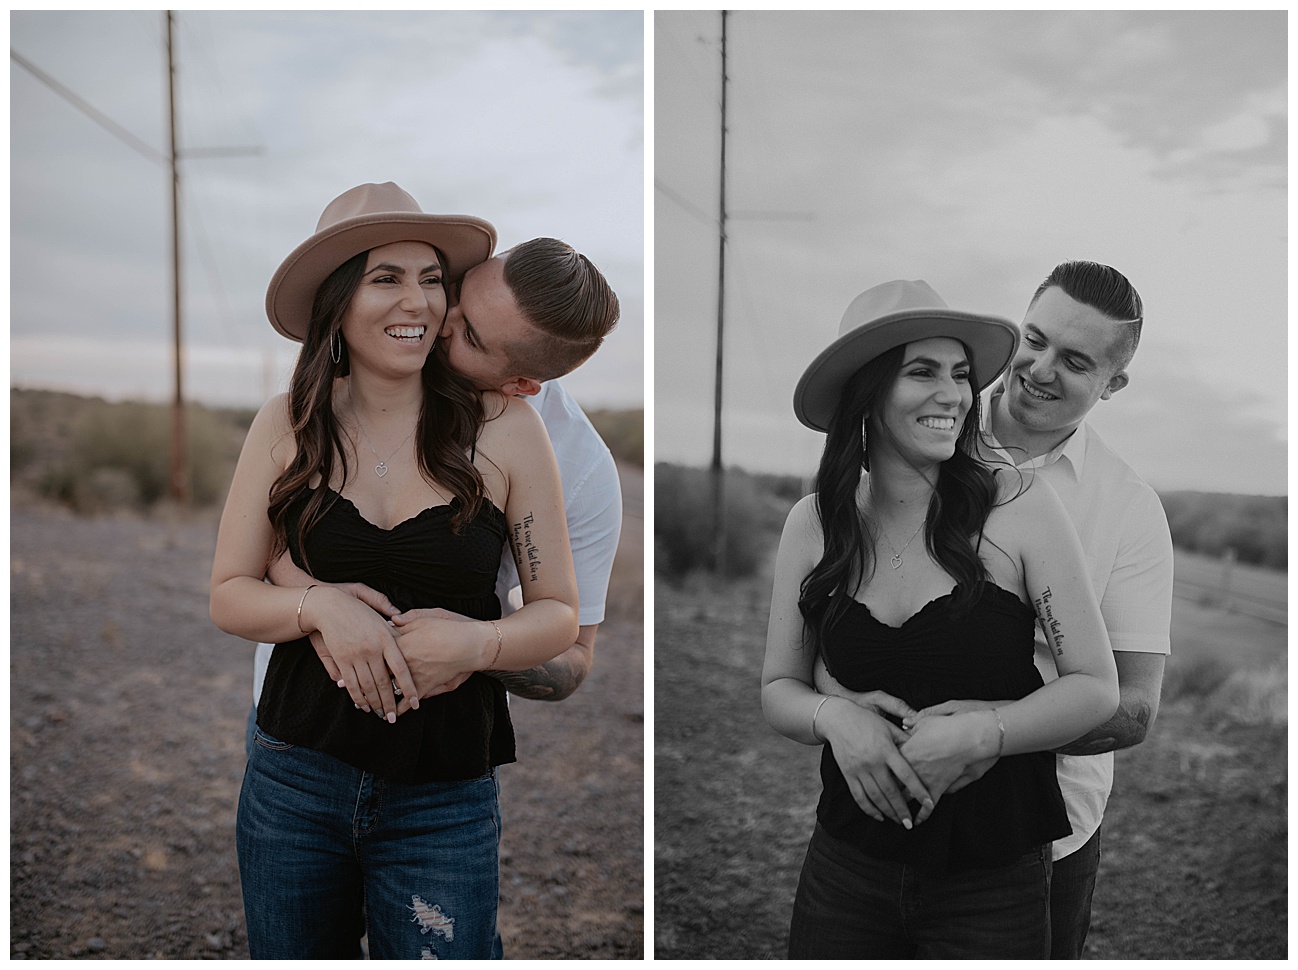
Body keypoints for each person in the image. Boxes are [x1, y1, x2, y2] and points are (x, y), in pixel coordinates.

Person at [210, 181, 581, 959]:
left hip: (444, 795)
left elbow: (557, 615)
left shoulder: (507, 430)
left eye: (431, 278)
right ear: (339, 302)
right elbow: (229, 593)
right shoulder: (287, 423)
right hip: (293, 779)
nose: (418, 301)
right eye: (386, 278)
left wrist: (479, 644)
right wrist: (317, 607)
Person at [817, 261, 1173, 958]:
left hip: (1043, 830)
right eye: (1034, 339)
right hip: (876, 810)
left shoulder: (1129, 510)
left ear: (1114, 384)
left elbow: (1133, 707)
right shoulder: (915, 433)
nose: (1039, 368)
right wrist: (846, 710)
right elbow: (829, 619)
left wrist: (995, 735)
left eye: (1075, 361)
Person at [249, 235, 624, 728]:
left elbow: (573, 657)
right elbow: (264, 530)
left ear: (521, 386)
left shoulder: (581, 468)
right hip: (293, 717)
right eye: (456, 292)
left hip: (449, 746)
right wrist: (321, 607)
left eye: (469, 335)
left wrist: (477, 645)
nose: (435, 320)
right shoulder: (372, 361)